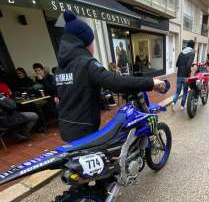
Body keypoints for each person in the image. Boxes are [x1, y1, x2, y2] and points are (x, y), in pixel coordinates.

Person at [55, 10, 165, 142]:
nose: (93, 47)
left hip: (65, 127)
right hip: (84, 131)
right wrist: (151, 82)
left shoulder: (60, 68)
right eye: (92, 42)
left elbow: (74, 91)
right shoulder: (87, 63)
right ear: (85, 43)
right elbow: (115, 82)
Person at [172, 40, 195, 111]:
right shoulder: (192, 52)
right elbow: (188, 65)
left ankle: (173, 103)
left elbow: (177, 64)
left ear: (187, 45)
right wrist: (189, 71)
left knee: (177, 92)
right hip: (186, 76)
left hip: (179, 75)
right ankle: (182, 106)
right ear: (193, 46)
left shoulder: (181, 52)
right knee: (185, 91)